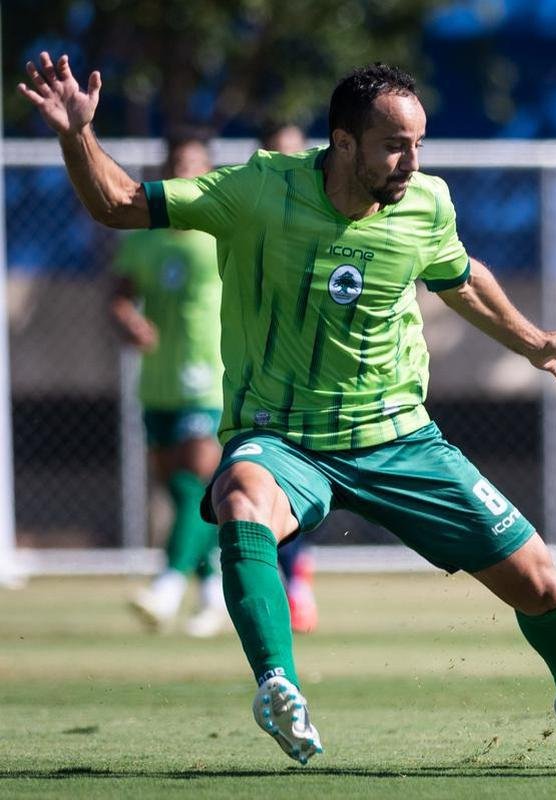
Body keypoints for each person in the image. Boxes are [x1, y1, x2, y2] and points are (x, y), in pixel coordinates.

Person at [20, 53, 556, 767]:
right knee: (240, 499)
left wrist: (533, 342)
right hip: (282, 437)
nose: (411, 162)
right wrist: (77, 134)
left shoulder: (427, 203)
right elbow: (117, 204)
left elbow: (459, 276)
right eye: (394, 145)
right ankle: (277, 685)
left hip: (399, 437)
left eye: (418, 144)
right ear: (344, 142)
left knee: (539, 582)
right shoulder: (258, 189)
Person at [114, 132, 229, 638]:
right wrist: (127, 319)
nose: (184, 173)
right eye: (176, 164)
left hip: (210, 377)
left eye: (193, 165)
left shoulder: (224, 233)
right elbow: (120, 294)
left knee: (199, 483)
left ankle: (167, 585)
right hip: (157, 380)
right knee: (180, 490)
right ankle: (212, 591)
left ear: (208, 175)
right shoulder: (145, 238)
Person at [257, 120, 319, 635]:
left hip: (314, 388)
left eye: (297, 152)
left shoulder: (330, 213)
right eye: (279, 153)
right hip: (257, 381)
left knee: (292, 490)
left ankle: (296, 577)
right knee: (249, 490)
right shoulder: (249, 208)